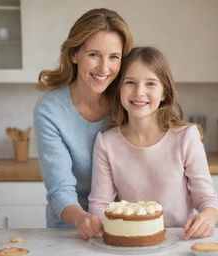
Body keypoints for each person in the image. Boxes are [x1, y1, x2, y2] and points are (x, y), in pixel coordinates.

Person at [88, 47, 218, 240]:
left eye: (150, 83)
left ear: (164, 92)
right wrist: (102, 228)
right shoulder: (106, 143)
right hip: (129, 244)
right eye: (130, 82)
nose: (139, 92)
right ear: (119, 89)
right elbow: (99, 205)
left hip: (178, 241)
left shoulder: (185, 137)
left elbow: (208, 199)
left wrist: (207, 217)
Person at [34, 8, 133, 240]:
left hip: (124, 227)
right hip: (69, 230)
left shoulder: (128, 102)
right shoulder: (50, 110)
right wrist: (81, 218)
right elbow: (60, 188)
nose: (104, 68)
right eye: (94, 55)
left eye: (114, 57)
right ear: (74, 54)